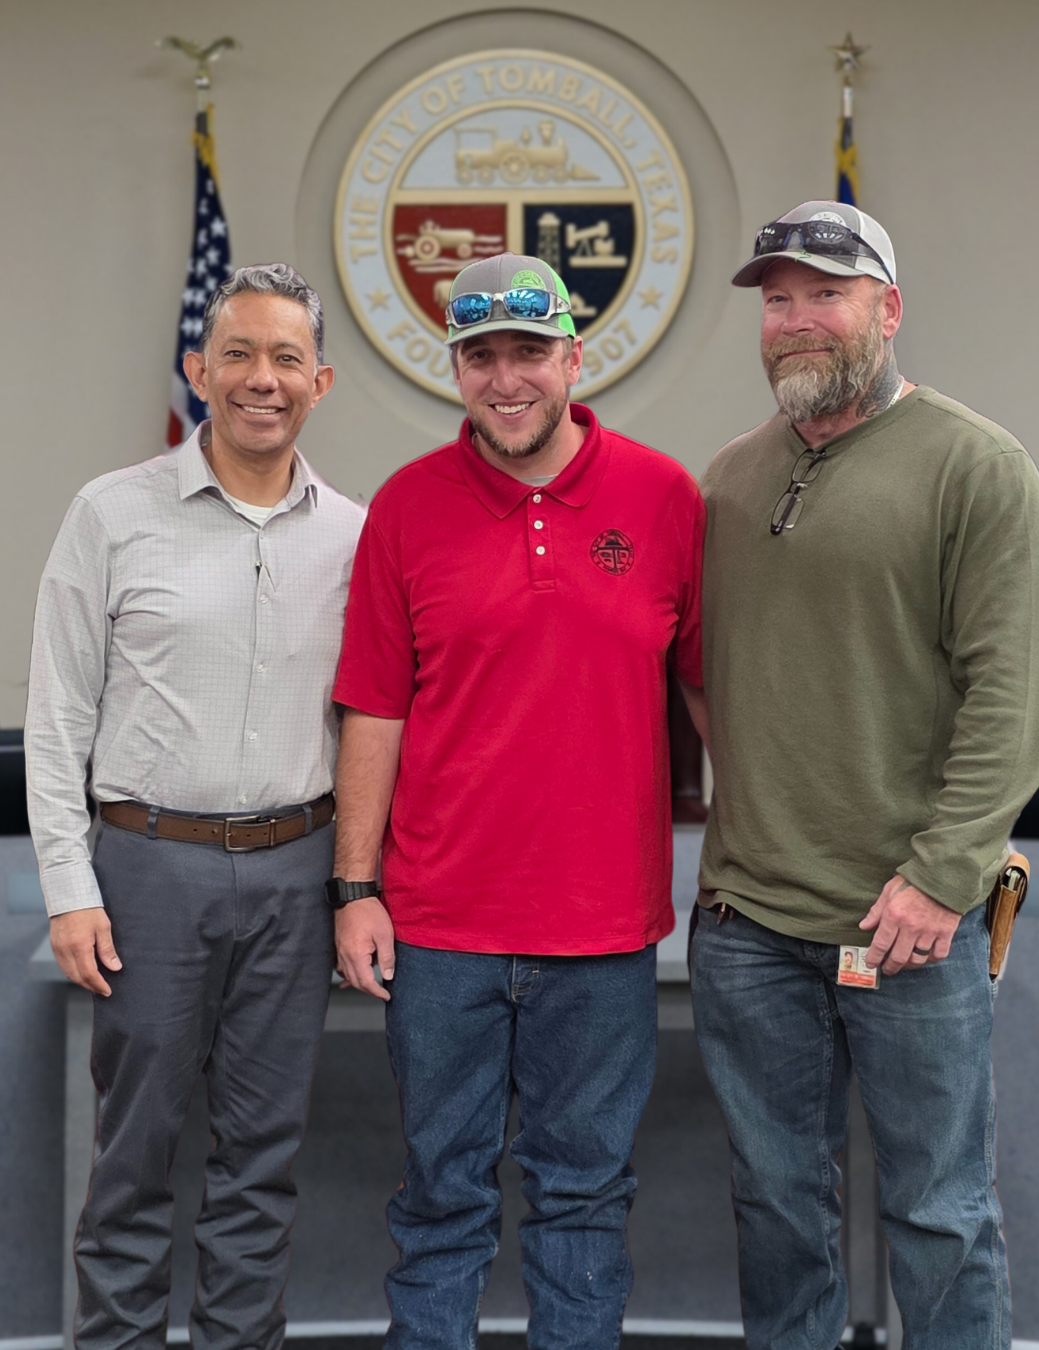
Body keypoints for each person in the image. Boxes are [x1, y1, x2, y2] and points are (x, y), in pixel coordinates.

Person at [691, 201, 1039, 1350]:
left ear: (888, 309)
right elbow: (704, 672)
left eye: (828, 293)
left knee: (941, 1217)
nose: (799, 320)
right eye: (779, 299)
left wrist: (942, 876)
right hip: (748, 925)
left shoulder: (977, 466)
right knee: (777, 1213)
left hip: (910, 923)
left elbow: (1017, 697)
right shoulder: (729, 480)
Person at [330, 252, 705, 1349]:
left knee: (584, 1204)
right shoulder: (403, 509)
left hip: (603, 930)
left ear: (573, 359)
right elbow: (374, 712)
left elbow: (711, 693)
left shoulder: (664, 496)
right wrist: (356, 887)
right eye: (482, 357)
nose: (507, 380)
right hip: (440, 928)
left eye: (529, 354)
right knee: (439, 1203)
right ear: (455, 368)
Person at [25, 264, 365, 1350]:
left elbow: (375, 722)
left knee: (261, 1166)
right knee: (133, 1161)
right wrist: (70, 890)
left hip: (294, 876)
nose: (260, 380)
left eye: (283, 360)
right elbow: (58, 717)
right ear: (198, 369)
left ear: (320, 381)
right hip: (148, 874)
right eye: (237, 355)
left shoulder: (357, 536)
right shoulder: (112, 514)